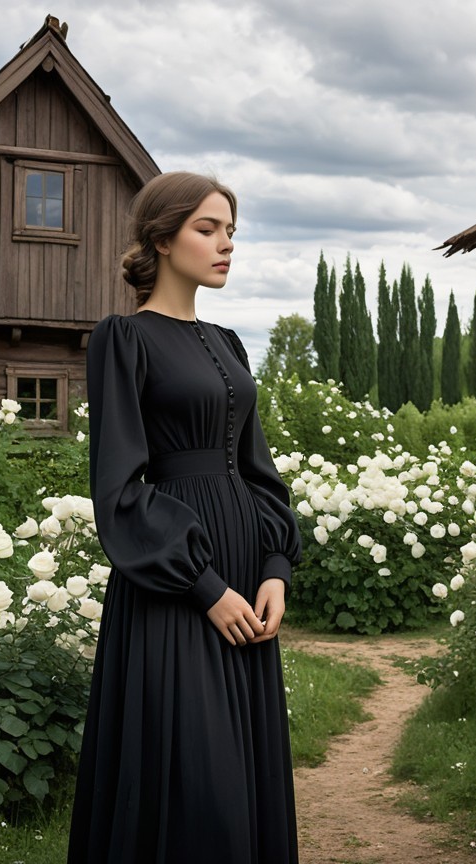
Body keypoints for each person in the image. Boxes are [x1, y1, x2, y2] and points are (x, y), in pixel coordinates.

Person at [67, 172, 302, 864]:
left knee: (244, 773)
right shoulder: (123, 338)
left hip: (245, 579)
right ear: (163, 239)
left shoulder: (229, 343)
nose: (226, 244)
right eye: (209, 229)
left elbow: (258, 472)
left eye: (231, 231)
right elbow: (118, 489)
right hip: (177, 592)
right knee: (202, 785)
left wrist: (275, 567)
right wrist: (204, 587)